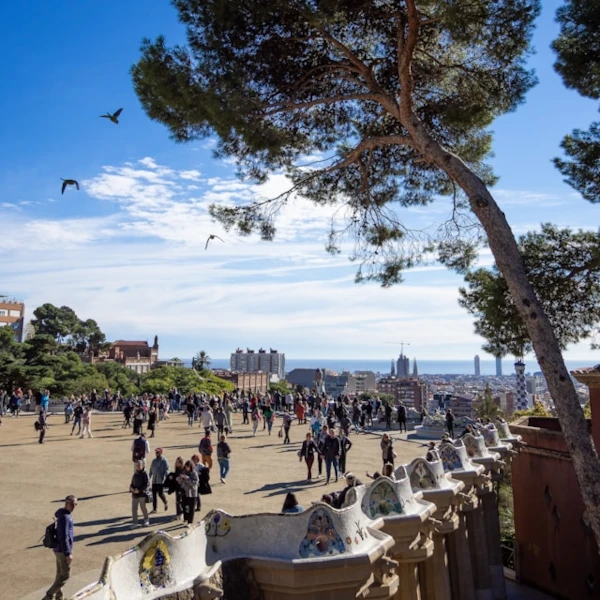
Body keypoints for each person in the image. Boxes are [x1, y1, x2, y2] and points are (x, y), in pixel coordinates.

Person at [43, 495, 78, 600]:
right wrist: (68, 553)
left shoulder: (62, 515)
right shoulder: (65, 517)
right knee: (65, 575)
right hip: (62, 551)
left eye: (75, 504)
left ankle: (59, 597)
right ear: (66, 503)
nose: (74, 506)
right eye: (72, 504)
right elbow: (64, 536)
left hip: (57, 549)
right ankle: (49, 596)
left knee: (59, 575)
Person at [177, 460, 199, 526]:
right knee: (184, 505)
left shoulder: (194, 473)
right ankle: (186, 518)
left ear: (191, 467)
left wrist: (187, 478)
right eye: (186, 467)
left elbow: (194, 483)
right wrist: (180, 478)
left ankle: (190, 522)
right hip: (185, 492)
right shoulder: (184, 472)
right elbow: (180, 482)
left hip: (192, 493)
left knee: (191, 508)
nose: (187, 468)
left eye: (188, 467)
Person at [129, 460, 150, 529]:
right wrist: (131, 489)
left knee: (143, 507)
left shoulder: (145, 474)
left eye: (139, 465)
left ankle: (146, 520)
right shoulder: (135, 474)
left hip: (142, 494)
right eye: (137, 465)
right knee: (134, 509)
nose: (138, 466)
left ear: (142, 465)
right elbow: (132, 483)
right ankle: (135, 523)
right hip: (134, 494)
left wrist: (139, 490)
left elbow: (147, 484)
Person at [149, 448, 170, 514]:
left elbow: (167, 470)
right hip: (154, 480)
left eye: (158, 452)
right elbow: (151, 470)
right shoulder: (154, 461)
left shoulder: (164, 461)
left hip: (160, 481)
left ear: (161, 453)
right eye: (156, 452)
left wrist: (166, 478)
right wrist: (149, 477)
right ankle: (154, 509)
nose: (156, 453)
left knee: (160, 494)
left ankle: (165, 502)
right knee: (154, 495)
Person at [165, 456, 185, 520]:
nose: (177, 464)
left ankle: (181, 513)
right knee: (177, 501)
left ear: (181, 463)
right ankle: (178, 514)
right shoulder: (177, 469)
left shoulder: (183, 470)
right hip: (177, 487)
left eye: (178, 463)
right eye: (176, 462)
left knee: (180, 501)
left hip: (182, 488)